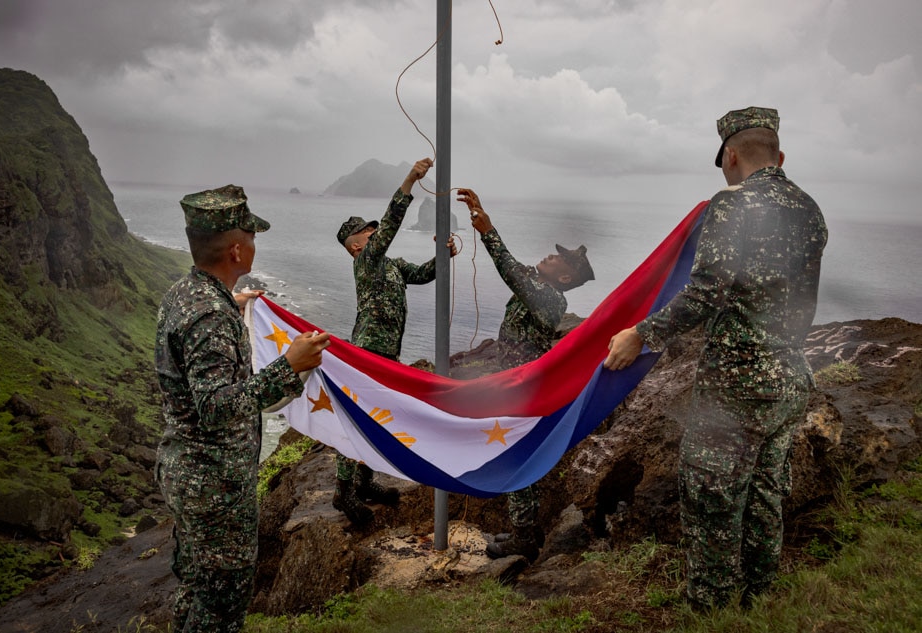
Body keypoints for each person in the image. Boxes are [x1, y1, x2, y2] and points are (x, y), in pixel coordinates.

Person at [604, 107, 828, 611]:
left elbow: (706, 292)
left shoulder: (732, 205)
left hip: (738, 384)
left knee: (711, 498)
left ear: (730, 155)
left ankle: (712, 610)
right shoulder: (810, 208)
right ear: (780, 155)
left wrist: (641, 333)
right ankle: (758, 598)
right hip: (790, 376)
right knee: (766, 494)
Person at [154, 184, 331, 633]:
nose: (255, 243)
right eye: (251, 236)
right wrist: (287, 367)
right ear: (236, 250)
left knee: (196, 592)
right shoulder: (209, 314)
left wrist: (232, 308)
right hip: (214, 489)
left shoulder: (188, 291)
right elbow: (215, 406)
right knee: (219, 609)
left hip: (190, 475)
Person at [457, 187, 595, 561]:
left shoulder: (550, 298)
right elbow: (518, 273)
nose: (550, 255)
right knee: (514, 458)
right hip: (511, 387)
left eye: (558, 258)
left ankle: (524, 538)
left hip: (524, 392)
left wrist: (488, 230)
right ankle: (524, 531)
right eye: (554, 252)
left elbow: (511, 271)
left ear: (564, 278)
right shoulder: (539, 289)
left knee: (518, 460)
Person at [333, 158, 458, 525]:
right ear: (357, 247)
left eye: (373, 232)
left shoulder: (390, 264)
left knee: (376, 417)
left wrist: (443, 255)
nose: (375, 236)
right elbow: (390, 225)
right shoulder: (366, 263)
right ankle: (344, 491)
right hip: (368, 349)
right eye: (368, 235)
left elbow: (421, 275)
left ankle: (365, 481)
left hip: (387, 350)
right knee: (359, 419)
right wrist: (409, 180)